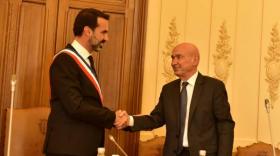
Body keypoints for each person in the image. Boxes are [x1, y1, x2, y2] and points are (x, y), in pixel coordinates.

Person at [117, 42, 235, 156]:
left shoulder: (213, 87)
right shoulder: (168, 90)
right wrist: (129, 120)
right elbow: (156, 119)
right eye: (173, 58)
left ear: (195, 60)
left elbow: (225, 125)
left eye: (179, 57)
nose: (173, 62)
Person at [43, 8, 127, 156]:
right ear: (88, 31)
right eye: (103, 32)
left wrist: (112, 116)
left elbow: (89, 103)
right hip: (68, 148)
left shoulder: (86, 60)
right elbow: (75, 106)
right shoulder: (65, 60)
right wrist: (112, 117)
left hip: (82, 147)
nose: (107, 38)